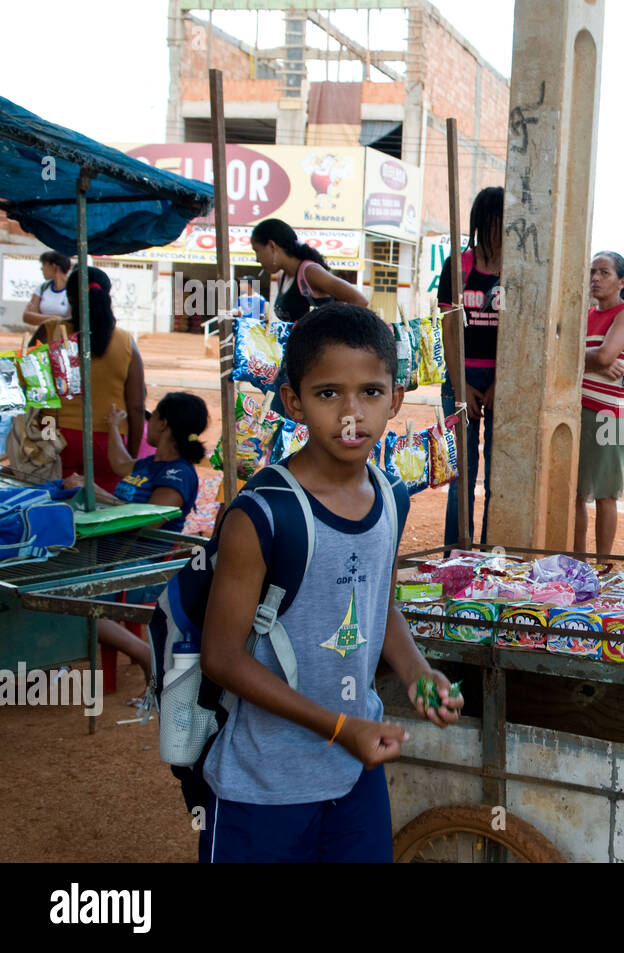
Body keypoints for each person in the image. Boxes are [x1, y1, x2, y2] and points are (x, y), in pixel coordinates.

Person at [197, 303, 463, 863]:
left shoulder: (391, 497)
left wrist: (418, 674)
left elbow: (376, 608)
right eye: (327, 394)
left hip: (352, 778)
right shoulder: (263, 514)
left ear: (395, 398)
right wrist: (340, 727)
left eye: (370, 392)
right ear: (292, 401)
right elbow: (222, 658)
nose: (351, 414)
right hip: (263, 787)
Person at [63, 392, 210, 687]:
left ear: (163, 423)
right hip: (111, 554)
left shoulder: (178, 473)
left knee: (64, 602)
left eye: (152, 418)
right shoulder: (148, 464)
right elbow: (120, 463)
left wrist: (98, 495)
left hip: (140, 565)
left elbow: (151, 519)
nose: (148, 426)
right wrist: (115, 427)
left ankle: (143, 652)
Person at [436, 186, 503, 548]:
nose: (498, 230)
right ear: (481, 222)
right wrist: (460, 384)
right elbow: (448, 327)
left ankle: (493, 554)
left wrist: (502, 382)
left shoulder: (517, 271)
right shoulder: (458, 266)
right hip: (462, 377)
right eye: (493, 221)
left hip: (502, 378)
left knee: (498, 477)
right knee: (461, 476)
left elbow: (520, 330)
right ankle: (456, 553)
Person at [250, 218, 368, 417]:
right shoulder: (283, 277)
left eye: (257, 251)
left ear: (272, 246)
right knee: (279, 427)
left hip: (314, 368)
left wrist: (324, 328)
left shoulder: (310, 272)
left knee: (295, 429)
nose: (257, 259)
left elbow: (359, 300)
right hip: (292, 365)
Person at [52, 267, 146, 492]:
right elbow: (135, 406)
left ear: (70, 297)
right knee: (105, 511)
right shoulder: (126, 342)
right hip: (108, 444)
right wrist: (130, 456)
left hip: (55, 438)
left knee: (57, 507)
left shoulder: (49, 332)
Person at [577, 251, 624, 557]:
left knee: (605, 494)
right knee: (574, 494)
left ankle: (603, 565)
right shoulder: (586, 315)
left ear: (622, 281)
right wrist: (593, 363)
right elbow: (596, 358)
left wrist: (589, 361)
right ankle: (576, 560)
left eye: (604, 272)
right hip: (577, 412)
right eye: (593, 271)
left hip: (609, 416)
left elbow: (604, 356)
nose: (595, 278)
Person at [22, 250, 71, 339]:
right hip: (42, 338)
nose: (41, 269)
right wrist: (55, 318)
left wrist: (39, 317)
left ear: (54, 266)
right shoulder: (42, 288)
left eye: (44, 265)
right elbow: (27, 317)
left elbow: (69, 321)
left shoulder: (73, 289)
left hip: (63, 340)